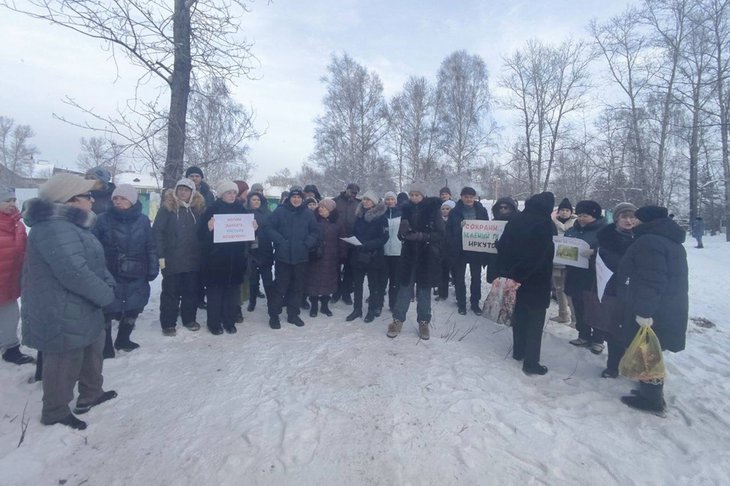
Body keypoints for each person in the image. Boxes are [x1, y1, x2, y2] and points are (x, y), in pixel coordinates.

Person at [22, 173, 117, 430]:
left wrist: (107, 282)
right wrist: (106, 294)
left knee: (91, 351)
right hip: (61, 307)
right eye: (88, 196)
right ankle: (55, 410)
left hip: (83, 304)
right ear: (71, 201)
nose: (92, 200)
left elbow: (94, 262)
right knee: (64, 360)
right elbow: (75, 273)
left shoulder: (74, 225)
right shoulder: (53, 228)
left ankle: (91, 394)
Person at [616, 206, 688, 414]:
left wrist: (644, 311)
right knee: (650, 349)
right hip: (668, 304)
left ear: (646, 221)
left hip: (655, 307)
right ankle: (649, 390)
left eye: (636, 219)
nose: (632, 222)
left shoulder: (649, 241)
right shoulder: (668, 239)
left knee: (648, 350)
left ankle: (652, 399)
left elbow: (652, 279)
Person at [94, 184, 159, 357]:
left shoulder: (143, 220)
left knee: (134, 306)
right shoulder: (101, 220)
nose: (119, 202)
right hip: (110, 270)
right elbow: (93, 247)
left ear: (132, 200)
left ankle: (123, 339)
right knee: (107, 309)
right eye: (115, 198)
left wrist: (153, 268)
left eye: (123, 198)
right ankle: (105, 345)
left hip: (137, 271)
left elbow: (150, 246)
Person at [496, 192, 556, 376]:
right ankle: (531, 362)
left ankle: (518, 351)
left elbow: (503, 245)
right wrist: (523, 275)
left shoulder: (516, 219)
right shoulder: (545, 224)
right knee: (535, 321)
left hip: (514, 277)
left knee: (519, 314)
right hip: (536, 279)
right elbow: (537, 255)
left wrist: (511, 273)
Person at [387, 183, 444, 340]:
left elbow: (440, 234)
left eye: (417, 195)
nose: (413, 198)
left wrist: (422, 236)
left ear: (423, 195)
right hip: (408, 257)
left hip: (426, 256)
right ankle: (397, 321)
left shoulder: (433, 209)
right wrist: (402, 232)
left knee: (424, 292)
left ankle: (424, 322)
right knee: (404, 290)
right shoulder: (405, 209)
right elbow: (400, 236)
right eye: (411, 195)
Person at [153, 178, 206, 336]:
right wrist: (160, 255)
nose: (183, 192)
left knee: (191, 291)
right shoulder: (167, 209)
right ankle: (168, 323)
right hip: (172, 260)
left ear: (192, 193)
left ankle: (189, 318)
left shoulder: (197, 210)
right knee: (171, 293)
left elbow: (203, 233)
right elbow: (157, 232)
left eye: (186, 190)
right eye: (180, 189)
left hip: (192, 260)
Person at [199, 181, 251, 335]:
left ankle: (229, 321)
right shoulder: (212, 210)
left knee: (232, 293)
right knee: (215, 293)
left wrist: (253, 229)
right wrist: (208, 229)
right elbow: (200, 236)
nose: (232, 196)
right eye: (228, 193)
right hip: (216, 260)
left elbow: (247, 236)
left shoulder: (241, 210)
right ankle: (214, 323)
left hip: (235, 260)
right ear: (222, 194)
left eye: (234, 193)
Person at [265, 186, 319, 328]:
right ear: (289, 198)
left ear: (302, 199)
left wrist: (307, 243)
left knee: (297, 287)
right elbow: (268, 228)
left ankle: (293, 314)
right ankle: (274, 316)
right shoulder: (280, 211)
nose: (296, 200)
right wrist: (280, 241)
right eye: (294, 197)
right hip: (283, 257)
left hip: (301, 257)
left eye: (299, 197)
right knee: (280, 287)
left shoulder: (307, 213)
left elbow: (315, 231)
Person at [594, 202, 637, 378]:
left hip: (636, 291)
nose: (628, 220)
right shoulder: (607, 237)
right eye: (624, 217)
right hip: (613, 288)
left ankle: (634, 365)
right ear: (617, 219)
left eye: (632, 216)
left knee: (635, 331)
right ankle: (613, 366)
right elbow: (602, 260)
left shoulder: (642, 238)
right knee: (614, 330)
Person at [565, 200, 607, 354]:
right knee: (578, 305)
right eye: (580, 215)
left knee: (595, 307)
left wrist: (595, 252)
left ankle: (597, 339)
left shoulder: (604, 231)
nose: (582, 218)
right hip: (575, 273)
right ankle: (583, 334)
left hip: (594, 276)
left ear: (595, 215)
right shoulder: (572, 230)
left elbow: (610, 251)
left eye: (586, 215)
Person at [0, 185, 33, 365]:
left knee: (11, 315)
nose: (12, 204)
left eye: (13, 200)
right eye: (6, 201)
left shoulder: (18, 224)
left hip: (11, 280)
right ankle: (10, 347)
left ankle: (10, 348)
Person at [445, 187, 490, 316]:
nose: (468, 199)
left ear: (474, 197)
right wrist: (460, 229)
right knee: (459, 278)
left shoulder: (481, 210)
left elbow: (487, 229)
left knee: (476, 278)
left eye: (471, 196)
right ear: (461, 197)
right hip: (460, 249)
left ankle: (475, 303)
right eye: (466, 196)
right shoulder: (455, 212)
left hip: (476, 249)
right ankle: (461, 304)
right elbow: (449, 232)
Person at [347, 191, 388, 322]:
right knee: (357, 284)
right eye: (364, 199)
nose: (365, 202)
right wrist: (352, 241)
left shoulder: (381, 217)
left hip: (373, 255)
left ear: (374, 203)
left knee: (373, 285)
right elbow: (354, 232)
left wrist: (367, 245)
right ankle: (357, 309)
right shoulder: (359, 215)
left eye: (368, 200)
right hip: (358, 254)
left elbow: (384, 237)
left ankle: (371, 310)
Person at [306, 199, 342, 317]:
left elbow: (342, 239)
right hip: (316, 257)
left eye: (324, 208)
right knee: (313, 282)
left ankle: (325, 306)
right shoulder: (313, 221)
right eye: (320, 207)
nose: (320, 209)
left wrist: (342, 254)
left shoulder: (337, 223)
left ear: (331, 210)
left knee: (328, 282)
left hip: (331, 258)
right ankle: (314, 306)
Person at [333, 183, 361, 305]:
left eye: (356, 193)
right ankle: (336, 291)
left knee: (349, 269)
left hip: (352, 240)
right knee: (335, 268)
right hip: (336, 240)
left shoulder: (358, 204)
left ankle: (346, 293)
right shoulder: (335, 201)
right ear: (347, 190)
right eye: (352, 192)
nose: (354, 195)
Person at [246, 192, 274, 313]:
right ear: (249, 201)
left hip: (265, 250)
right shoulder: (244, 214)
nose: (256, 202)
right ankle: (252, 301)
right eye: (253, 200)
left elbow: (273, 230)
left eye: (258, 200)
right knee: (253, 281)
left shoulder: (268, 214)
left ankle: (271, 302)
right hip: (250, 252)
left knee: (267, 279)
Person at [551, 198, 576, 325]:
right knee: (559, 288)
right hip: (556, 261)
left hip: (571, 262)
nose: (564, 212)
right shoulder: (552, 223)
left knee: (570, 290)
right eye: (562, 210)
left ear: (571, 212)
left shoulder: (576, 224)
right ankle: (563, 314)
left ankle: (575, 318)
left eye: (567, 210)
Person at [486, 197, 519, 284]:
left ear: (512, 208)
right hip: (495, 259)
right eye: (500, 207)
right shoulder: (493, 222)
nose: (502, 209)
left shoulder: (518, 222)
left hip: (510, 260)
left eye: (505, 207)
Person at [381, 191, 403, 310]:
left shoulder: (401, 213)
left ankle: (393, 304)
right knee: (382, 279)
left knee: (395, 281)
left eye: (392, 199)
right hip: (383, 251)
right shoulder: (381, 213)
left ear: (395, 201)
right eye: (387, 199)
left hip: (397, 251)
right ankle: (378, 303)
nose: (389, 201)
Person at [436, 199, 456, 301]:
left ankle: (458, 292)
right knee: (442, 273)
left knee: (455, 273)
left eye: (447, 209)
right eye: (443, 209)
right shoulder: (438, 220)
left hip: (452, 250)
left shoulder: (455, 220)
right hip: (441, 250)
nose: (445, 211)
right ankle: (442, 293)